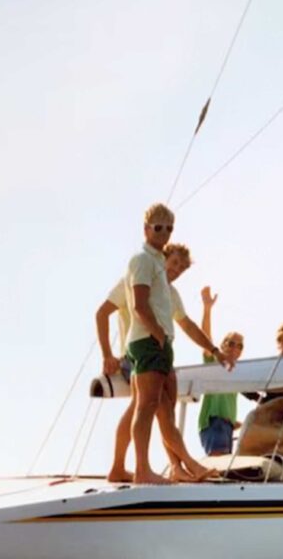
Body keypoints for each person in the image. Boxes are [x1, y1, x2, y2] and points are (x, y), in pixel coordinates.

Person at [98, 241, 230, 482]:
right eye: (175, 262)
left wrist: (213, 349)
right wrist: (107, 354)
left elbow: (187, 325)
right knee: (158, 410)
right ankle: (184, 465)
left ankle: (131, 467)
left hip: (160, 353)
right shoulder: (139, 276)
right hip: (139, 352)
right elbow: (102, 313)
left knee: (154, 410)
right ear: (163, 257)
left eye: (182, 268)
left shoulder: (171, 294)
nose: (177, 270)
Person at [124, 204, 233, 484]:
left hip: (160, 344)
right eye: (158, 227)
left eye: (169, 228)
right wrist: (158, 334)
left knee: (166, 410)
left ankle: (183, 466)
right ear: (146, 229)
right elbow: (136, 305)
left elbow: (187, 324)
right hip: (147, 342)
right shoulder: (143, 262)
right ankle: (142, 470)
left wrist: (214, 350)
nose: (164, 232)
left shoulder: (167, 288)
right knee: (147, 406)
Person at [197, 286, 245, 456]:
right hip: (214, 423)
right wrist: (207, 309)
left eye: (239, 345)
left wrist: (237, 423)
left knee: (224, 473)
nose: (235, 348)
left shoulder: (238, 374)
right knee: (219, 470)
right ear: (223, 345)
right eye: (231, 343)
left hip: (227, 427)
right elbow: (205, 339)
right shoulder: (214, 361)